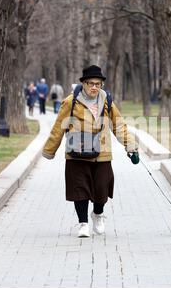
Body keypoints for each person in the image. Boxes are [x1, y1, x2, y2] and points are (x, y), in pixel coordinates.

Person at [42, 65, 139, 238]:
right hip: (76, 153)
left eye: (98, 83)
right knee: (80, 189)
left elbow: (119, 125)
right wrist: (50, 150)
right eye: (90, 83)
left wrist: (130, 146)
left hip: (101, 153)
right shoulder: (71, 101)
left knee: (102, 188)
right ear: (84, 84)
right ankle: (83, 224)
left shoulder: (107, 100)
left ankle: (98, 214)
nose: (94, 87)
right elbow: (58, 127)